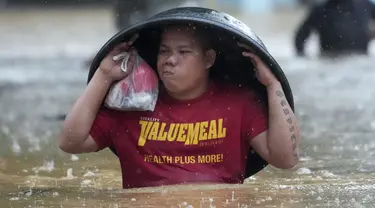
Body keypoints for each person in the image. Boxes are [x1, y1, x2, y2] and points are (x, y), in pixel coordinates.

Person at [58, 23, 300, 189]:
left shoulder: (239, 102)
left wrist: (273, 84)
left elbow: (286, 159)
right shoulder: (132, 105)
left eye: (183, 52)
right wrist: (103, 74)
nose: (170, 60)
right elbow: (70, 142)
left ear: (208, 59)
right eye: (164, 51)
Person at [294, 0, 375, 57]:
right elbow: (300, 37)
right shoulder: (320, 10)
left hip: (361, 60)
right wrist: (303, 57)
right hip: (330, 61)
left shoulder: (365, 5)